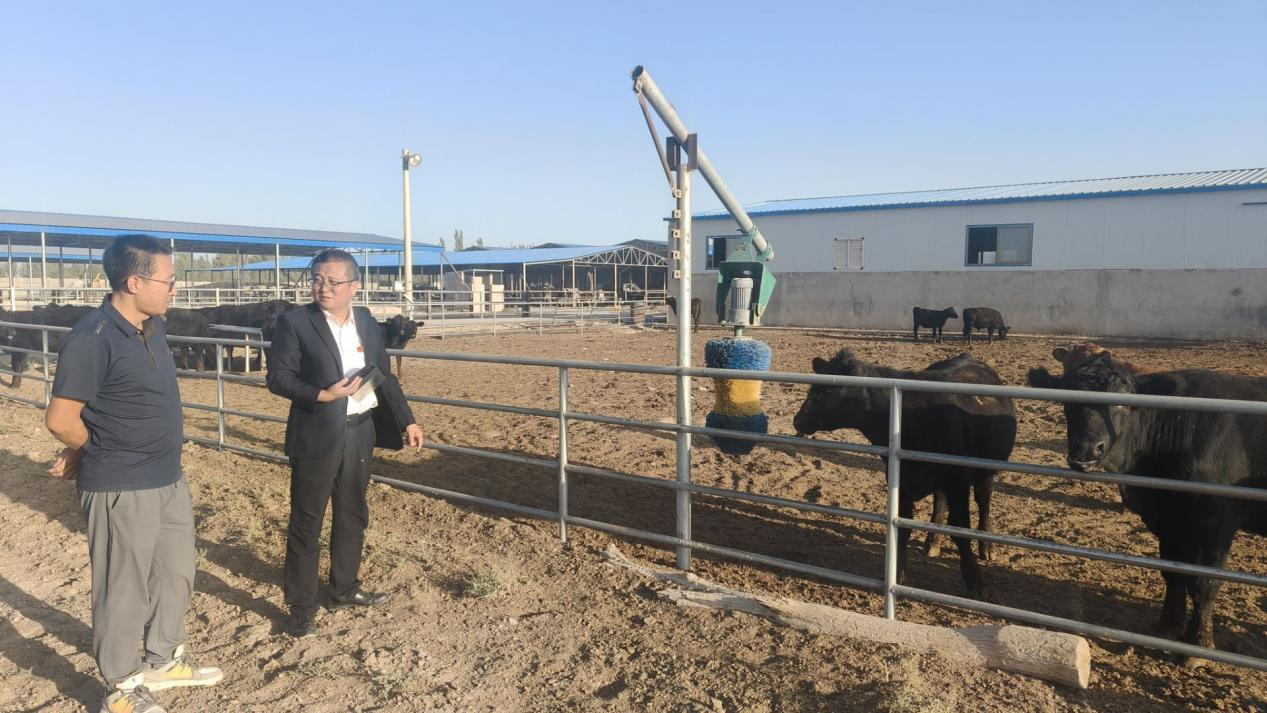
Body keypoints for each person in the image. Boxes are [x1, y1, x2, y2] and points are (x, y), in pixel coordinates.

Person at [45, 234, 221, 713]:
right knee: (122, 589)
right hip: (121, 483)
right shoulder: (92, 338)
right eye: (169, 280)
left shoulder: (152, 327)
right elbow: (61, 419)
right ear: (134, 281)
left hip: (168, 476)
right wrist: (94, 449)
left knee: (175, 573)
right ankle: (121, 685)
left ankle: (163, 658)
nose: (175, 289)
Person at [266, 249, 424, 638]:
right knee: (307, 519)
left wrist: (407, 419)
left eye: (333, 281)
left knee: (353, 513)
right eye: (317, 279)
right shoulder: (295, 322)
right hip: (316, 431)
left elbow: (383, 374)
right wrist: (323, 394)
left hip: (360, 431)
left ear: (354, 286)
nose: (323, 288)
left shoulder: (366, 321)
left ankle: (344, 588)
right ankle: (302, 605)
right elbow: (278, 378)